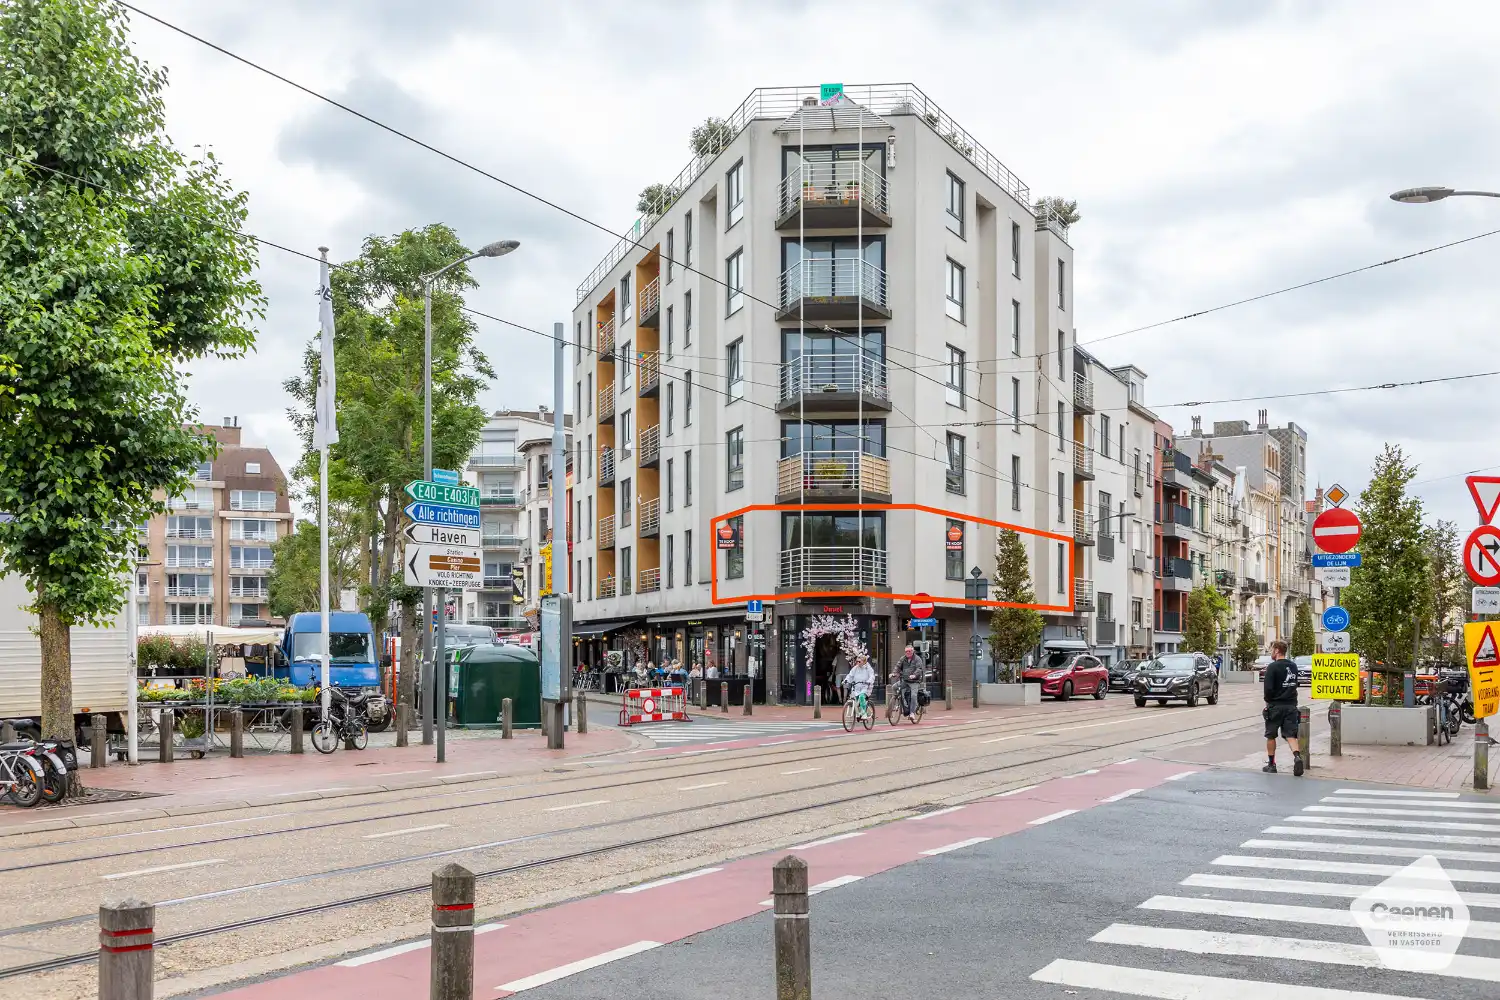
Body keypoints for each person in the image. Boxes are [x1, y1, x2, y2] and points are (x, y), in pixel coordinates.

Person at [1262, 638, 1303, 776]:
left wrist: (1268, 703)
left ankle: (1271, 764)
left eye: (1272, 650)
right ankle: (1297, 757)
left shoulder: (1273, 667)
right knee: (1291, 735)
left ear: (1277, 650)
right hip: (1291, 705)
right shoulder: (1293, 666)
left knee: (1271, 735)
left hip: (1275, 706)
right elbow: (1295, 684)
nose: (1271, 653)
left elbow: (1268, 689)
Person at [895, 644, 924, 721]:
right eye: (906, 651)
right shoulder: (903, 658)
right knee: (894, 687)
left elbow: (919, 668)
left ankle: (912, 713)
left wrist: (914, 675)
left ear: (913, 651)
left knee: (913, 695)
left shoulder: (917, 659)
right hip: (905, 680)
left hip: (914, 681)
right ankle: (903, 705)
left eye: (909, 651)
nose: (907, 653)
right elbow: (898, 666)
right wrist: (894, 673)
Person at [844, 654, 876, 719]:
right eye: (857, 661)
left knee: (861, 697)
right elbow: (850, 675)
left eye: (859, 661)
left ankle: (864, 713)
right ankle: (857, 713)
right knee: (854, 699)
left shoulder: (868, 668)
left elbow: (872, 676)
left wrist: (868, 681)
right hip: (856, 687)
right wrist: (846, 680)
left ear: (864, 662)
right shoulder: (855, 668)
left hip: (865, 687)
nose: (857, 663)